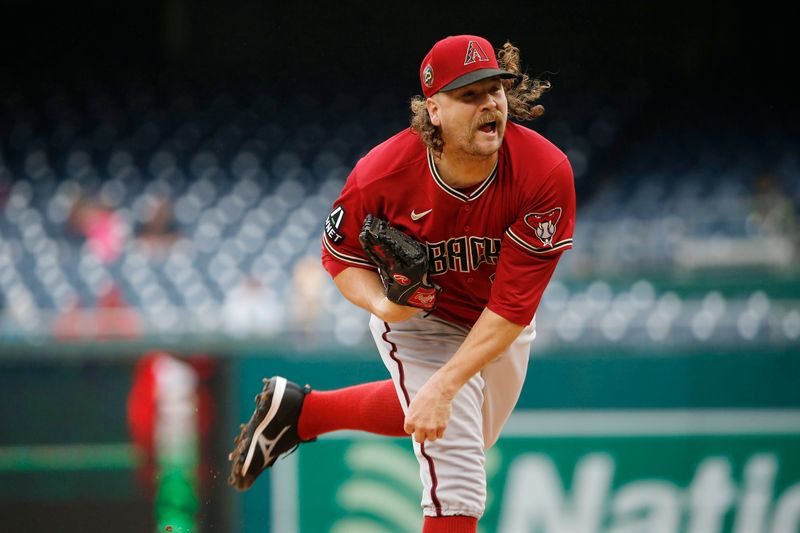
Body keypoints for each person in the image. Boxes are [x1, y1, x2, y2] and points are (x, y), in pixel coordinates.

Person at [228, 34, 575, 533]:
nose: (488, 104)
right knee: (458, 478)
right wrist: (386, 308)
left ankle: (304, 414)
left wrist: (448, 384)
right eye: (468, 95)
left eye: (494, 90)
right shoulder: (381, 175)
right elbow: (339, 259)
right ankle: (316, 413)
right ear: (433, 109)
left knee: (466, 425)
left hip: (496, 321)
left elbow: (513, 310)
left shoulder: (544, 173)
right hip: (420, 318)